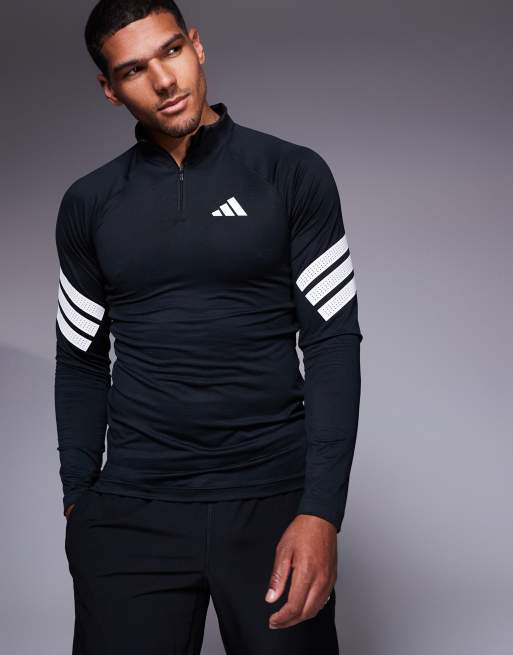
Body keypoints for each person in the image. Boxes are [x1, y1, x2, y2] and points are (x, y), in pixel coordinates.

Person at [54, 1, 363, 653]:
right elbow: (79, 359)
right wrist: (79, 500)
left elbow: (332, 342)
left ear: (195, 45)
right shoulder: (89, 203)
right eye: (134, 70)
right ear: (109, 88)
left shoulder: (291, 173)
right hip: (133, 513)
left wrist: (321, 510)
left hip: (273, 503)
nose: (164, 80)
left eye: (171, 51)